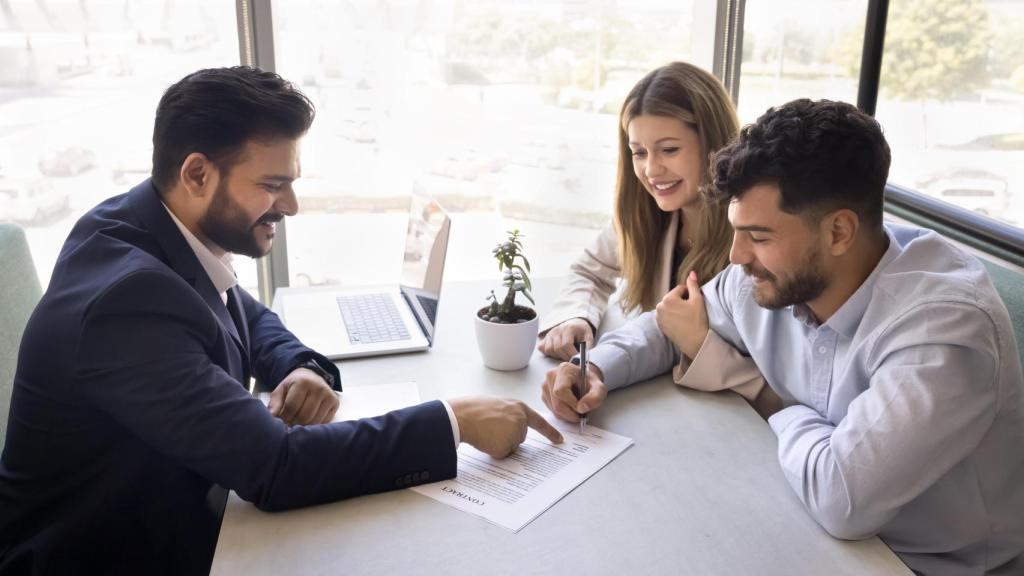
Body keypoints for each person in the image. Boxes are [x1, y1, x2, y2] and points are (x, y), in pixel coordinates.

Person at [0, 66, 562, 575]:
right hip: (110, 555)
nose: (291, 206)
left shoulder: (145, 222)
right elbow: (277, 469)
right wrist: (454, 422)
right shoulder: (127, 301)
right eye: (273, 186)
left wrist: (297, 365)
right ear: (197, 173)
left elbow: (237, 308)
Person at [542, 99, 1024, 575]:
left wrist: (775, 403)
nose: (735, 256)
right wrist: (594, 367)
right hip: (805, 522)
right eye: (736, 231)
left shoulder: (944, 329)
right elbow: (673, 324)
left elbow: (842, 498)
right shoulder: (774, 274)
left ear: (838, 232)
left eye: (759, 236)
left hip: (919, 563)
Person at [537, 61, 738, 360]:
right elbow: (589, 271)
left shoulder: (752, 232)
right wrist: (575, 317)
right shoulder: (644, 214)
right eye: (639, 153)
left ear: (713, 144)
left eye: (669, 149)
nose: (651, 169)